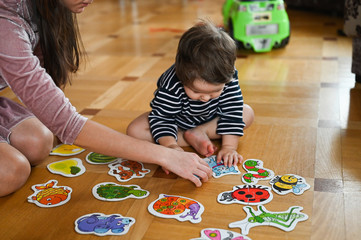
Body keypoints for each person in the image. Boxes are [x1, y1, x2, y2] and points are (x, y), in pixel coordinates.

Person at [0, 0, 212, 197]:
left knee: (38, 142)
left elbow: (48, 95)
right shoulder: (6, 24)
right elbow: (66, 123)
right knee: (11, 171)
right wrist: (165, 155)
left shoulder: (45, 7)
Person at [127, 20, 254, 170]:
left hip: (211, 120)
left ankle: (201, 132)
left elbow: (232, 111)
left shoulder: (228, 76)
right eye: (196, 91)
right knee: (134, 131)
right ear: (182, 75)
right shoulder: (171, 83)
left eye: (215, 91)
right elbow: (162, 118)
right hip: (177, 121)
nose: (205, 98)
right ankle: (189, 137)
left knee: (247, 113)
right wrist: (171, 147)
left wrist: (229, 147)